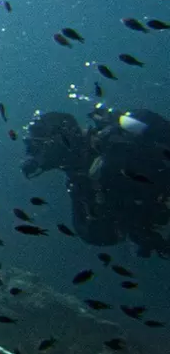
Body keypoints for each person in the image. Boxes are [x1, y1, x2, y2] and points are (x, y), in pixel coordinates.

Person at [21, 105, 170, 257]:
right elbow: (98, 235)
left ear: (58, 139)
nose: (33, 156)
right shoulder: (81, 181)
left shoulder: (116, 141)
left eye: (37, 147)